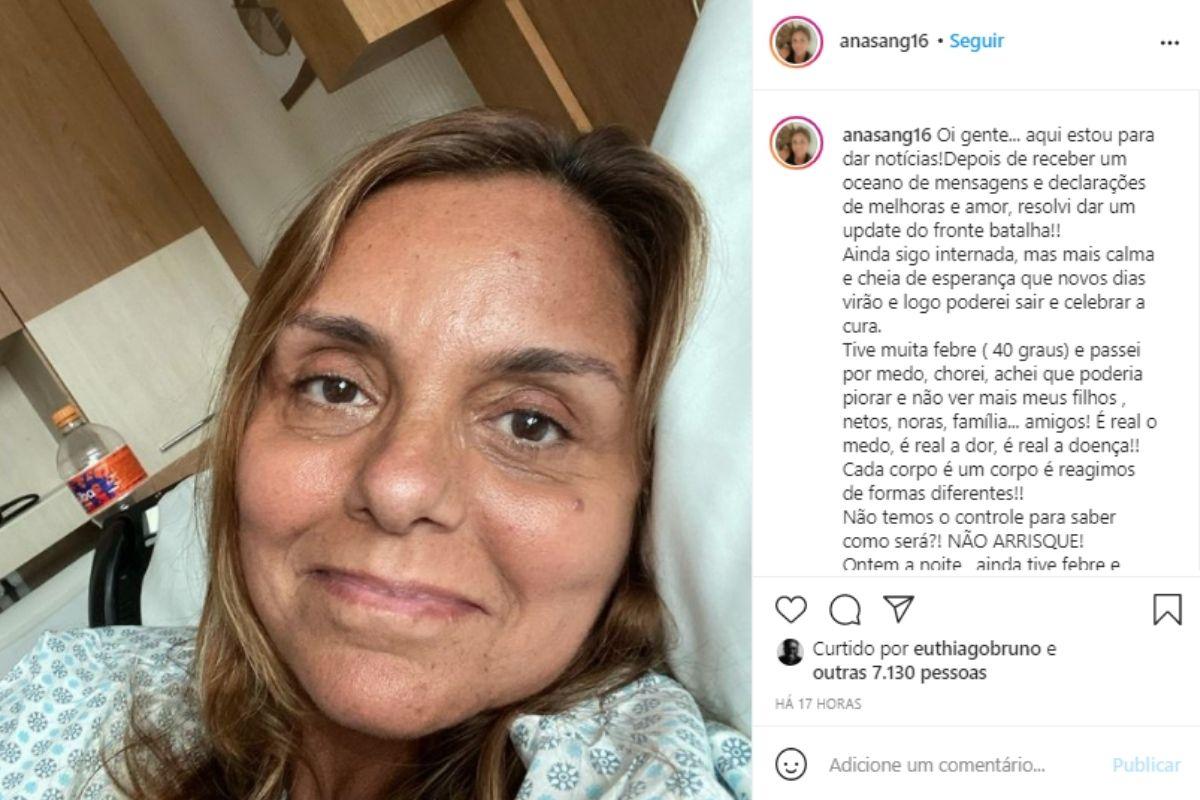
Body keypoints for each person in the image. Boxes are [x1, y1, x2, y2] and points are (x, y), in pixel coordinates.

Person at [0, 110, 751, 800]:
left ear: (642, 501)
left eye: (530, 425)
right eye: (334, 387)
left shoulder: (645, 771)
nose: (397, 484)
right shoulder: (66, 691)